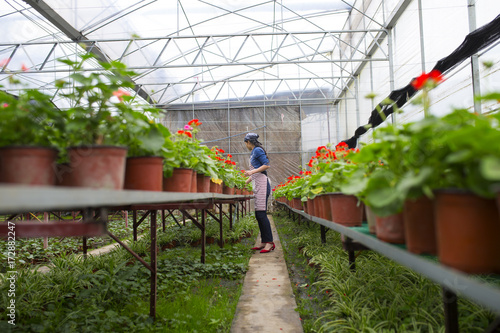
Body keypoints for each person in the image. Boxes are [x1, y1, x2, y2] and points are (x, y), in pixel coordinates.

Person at [243, 133, 275, 253]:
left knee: (261, 214)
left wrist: (251, 173)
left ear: (248, 142)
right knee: (258, 215)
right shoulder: (254, 152)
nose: (246, 145)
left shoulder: (257, 150)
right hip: (258, 184)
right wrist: (245, 182)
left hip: (262, 184)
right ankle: (263, 241)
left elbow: (266, 165)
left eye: (246, 143)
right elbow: (255, 172)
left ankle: (269, 243)